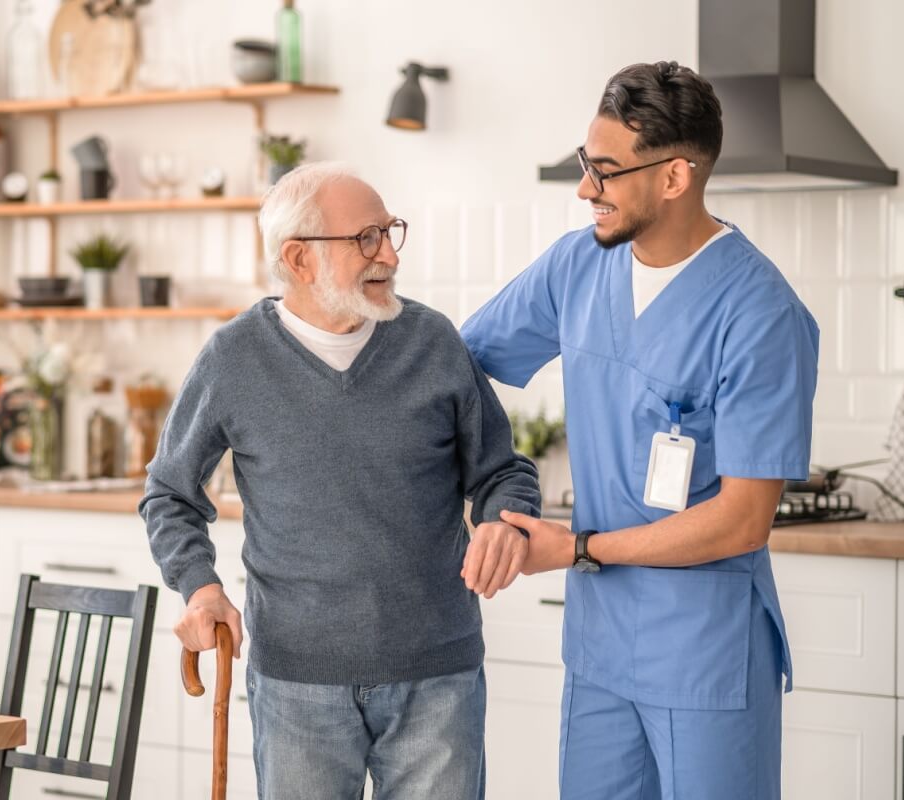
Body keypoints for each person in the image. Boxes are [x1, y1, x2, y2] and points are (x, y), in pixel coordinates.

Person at [461, 61, 819, 799]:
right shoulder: (576, 268)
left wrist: (579, 547)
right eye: (586, 165)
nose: (586, 188)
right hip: (600, 653)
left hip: (704, 656)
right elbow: (456, 366)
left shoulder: (760, 314)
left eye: (606, 171)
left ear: (675, 177)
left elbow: (744, 520)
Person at [140, 162, 541, 799]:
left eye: (389, 232)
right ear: (298, 259)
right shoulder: (233, 358)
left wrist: (503, 517)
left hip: (438, 674)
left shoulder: (432, 341)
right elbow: (169, 494)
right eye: (366, 238)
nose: (388, 254)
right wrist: (199, 586)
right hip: (297, 681)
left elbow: (502, 470)